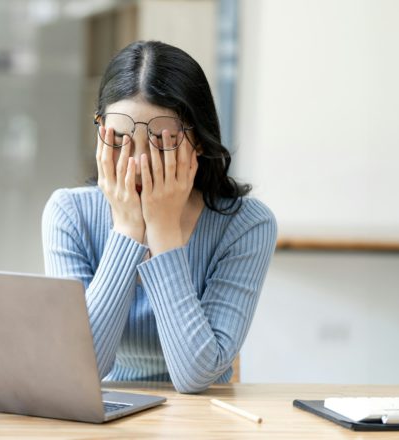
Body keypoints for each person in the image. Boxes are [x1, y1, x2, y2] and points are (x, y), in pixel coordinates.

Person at [41, 41, 277, 393]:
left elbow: (196, 375)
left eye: (161, 140)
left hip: (204, 421)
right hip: (105, 414)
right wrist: (127, 229)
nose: (136, 162)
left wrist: (163, 229)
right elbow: (79, 367)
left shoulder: (246, 225)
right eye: (119, 138)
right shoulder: (70, 214)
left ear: (199, 139)